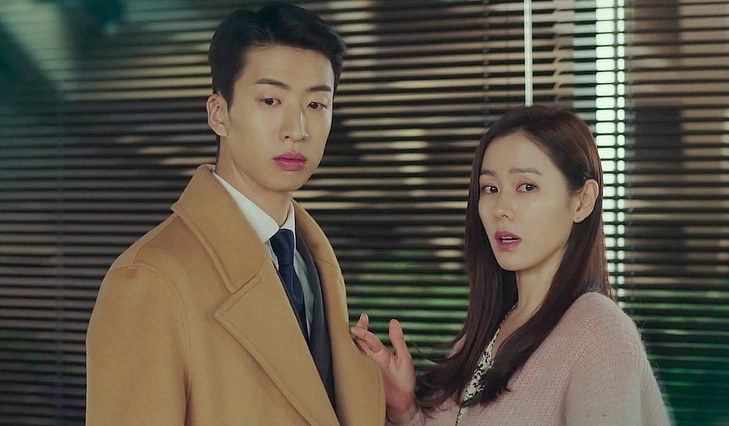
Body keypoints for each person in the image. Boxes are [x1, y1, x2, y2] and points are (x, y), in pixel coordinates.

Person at [86, 3, 384, 425]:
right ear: (219, 114)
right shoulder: (151, 279)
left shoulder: (313, 261)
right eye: (271, 100)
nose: (297, 129)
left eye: (317, 104)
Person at [351, 105, 671, 425]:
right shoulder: (485, 332)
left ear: (582, 200)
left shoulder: (599, 334)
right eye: (491, 188)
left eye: (526, 186)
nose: (501, 208)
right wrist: (405, 410)